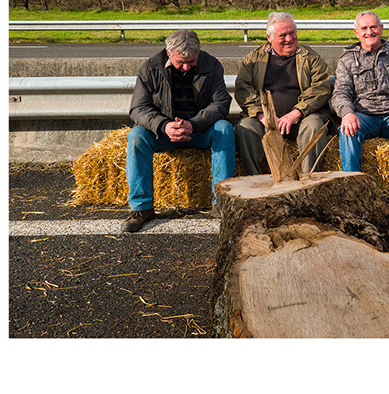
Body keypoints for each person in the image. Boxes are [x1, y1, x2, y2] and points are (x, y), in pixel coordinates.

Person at [124, 29, 235, 232]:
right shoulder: (150, 68)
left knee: (225, 129)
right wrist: (164, 125)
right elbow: (138, 109)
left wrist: (193, 123)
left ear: (198, 53)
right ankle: (142, 207)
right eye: (180, 62)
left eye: (191, 62)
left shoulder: (212, 65)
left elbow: (221, 103)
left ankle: (222, 202)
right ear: (168, 53)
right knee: (136, 136)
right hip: (164, 131)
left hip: (199, 129)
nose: (185, 67)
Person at [234, 12, 334, 177]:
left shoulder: (310, 58)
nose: (289, 38)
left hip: (302, 118)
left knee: (314, 126)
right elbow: (243, 88)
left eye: (292, 33)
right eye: (283, 35)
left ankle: (308, 181)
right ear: (269, 37)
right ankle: (256, 180)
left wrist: (296, 113)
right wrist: (262, 116)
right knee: (245, 129)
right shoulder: (254, 59)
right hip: (265, 121)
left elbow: (320, 87)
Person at [333, 11, 389, 188]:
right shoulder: (347, 59)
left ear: (381, 29)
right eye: (364, 28)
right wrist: (347, 113)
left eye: (373, 27)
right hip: (364, 115)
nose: (369, 32)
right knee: (347, 131)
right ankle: (353, 186)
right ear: (356, 32)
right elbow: (340, 92)